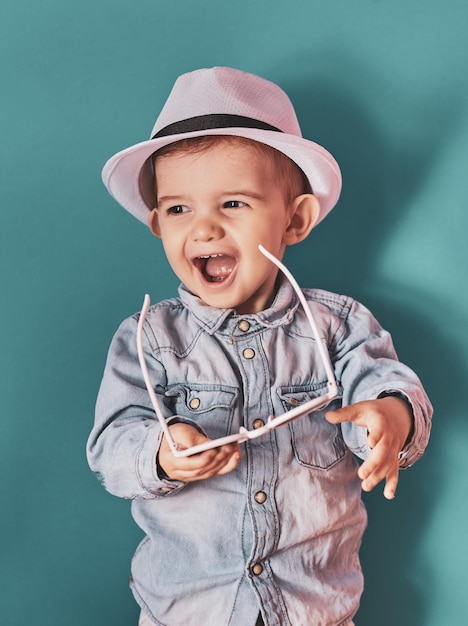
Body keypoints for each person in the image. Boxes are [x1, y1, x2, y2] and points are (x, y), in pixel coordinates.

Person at [87, 67, 432, 626]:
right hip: (186, 613)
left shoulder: (338, 327)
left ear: (295, 220)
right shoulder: (147, 338)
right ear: (156, 223)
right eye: (179, 209)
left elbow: (386, 384)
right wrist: (162, 452)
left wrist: (389, 417)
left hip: (314, 611)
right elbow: (111, 448)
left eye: (233, 205)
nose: (203, 230)